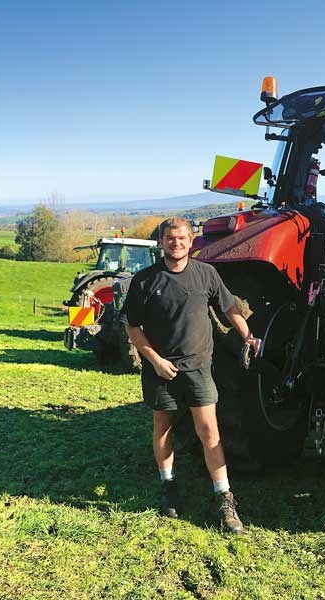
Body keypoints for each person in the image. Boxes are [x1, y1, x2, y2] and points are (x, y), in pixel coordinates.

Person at [121, 217, 260, 534]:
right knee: (163, 426)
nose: (177, 243)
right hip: (162, 369)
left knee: (209, 430)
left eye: (182, 238)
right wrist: (154, 360)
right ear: (162, 241)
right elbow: (132, 326)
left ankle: (225, 498)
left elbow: (230, 309)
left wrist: (248, 336)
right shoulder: (145, 280)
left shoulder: (206, 274)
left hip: (199, 367)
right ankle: (169, 484)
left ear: (191, 240)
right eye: (170, 238)